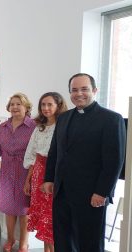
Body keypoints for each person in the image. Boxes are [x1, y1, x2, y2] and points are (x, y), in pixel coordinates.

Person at [43, 73, 126, 251]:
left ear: (95, 91)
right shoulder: (64, 118)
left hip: (92, 195)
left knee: (89, 243)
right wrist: (49, 178)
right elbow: (55, 151)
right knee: (63, 240)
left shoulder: (111, 119)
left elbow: (114, 160)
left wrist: (102, 192)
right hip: (62, 192)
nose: (79, 94)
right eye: (74, 90)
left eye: (84, 89)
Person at [22, 92, 67, 252]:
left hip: (54, 173)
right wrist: (28, 180)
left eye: (50, 104)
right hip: (38, 173)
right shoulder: (39, 127)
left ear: (58, 106)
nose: (46, 108)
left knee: (52, 218)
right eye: (43, 105)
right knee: (42, 217)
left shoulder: (63, 126)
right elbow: (33, 156)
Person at [0, 93, 35, 252]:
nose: (15, 107)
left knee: (24, 210)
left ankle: (24, 243)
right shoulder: (3, 126)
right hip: (7, 170)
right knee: (9, 208)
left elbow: (36, 151)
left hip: (26, 170)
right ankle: (11, 239)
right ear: (9, 107)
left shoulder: (34, 126)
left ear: (26, 107)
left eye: (19, 104)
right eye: (12, 104)